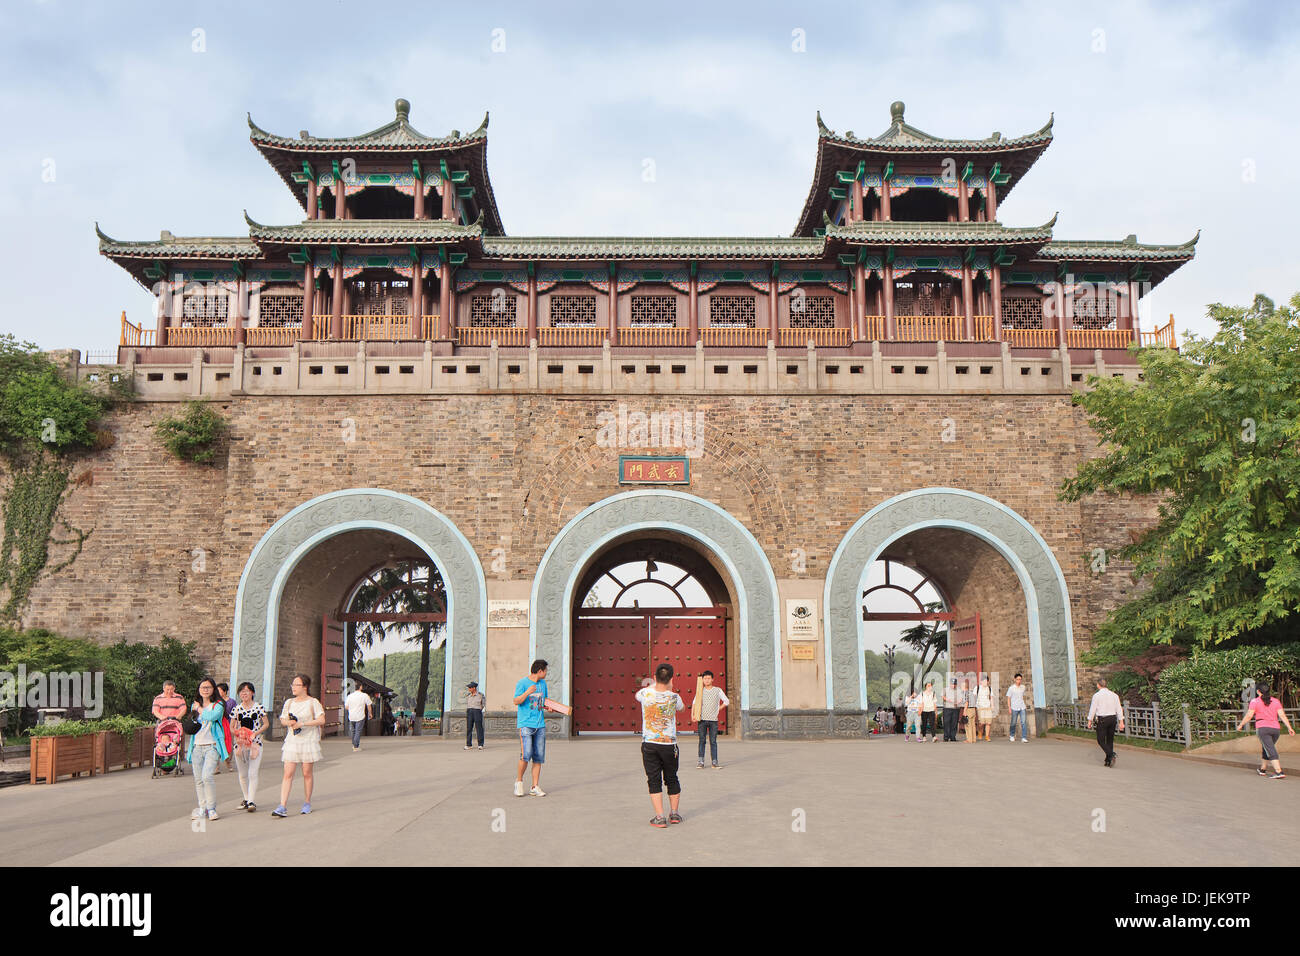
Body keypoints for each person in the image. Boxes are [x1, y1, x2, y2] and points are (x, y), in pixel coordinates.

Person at [637, 663, 685, 827]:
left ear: (655, 678)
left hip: (650, 744)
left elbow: (638, 695)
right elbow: (683, 709)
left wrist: (654, 683)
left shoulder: (644, 693)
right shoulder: (674, 697)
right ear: (672, 678)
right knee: (672, 778)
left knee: (654, 779)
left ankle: (660, 816)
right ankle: (675, 814)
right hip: (669, 745)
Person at [271, 674, 325, 818]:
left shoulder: (313, 702)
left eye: (297, 685)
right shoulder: (289, 702)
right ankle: (282, 805)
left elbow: (321, 719)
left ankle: (307, 802)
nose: (293, 687)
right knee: (287, 773)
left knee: (307, 773)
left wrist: (303, 723)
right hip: (292, 741)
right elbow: (282, 718)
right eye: (293, 685)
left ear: (305, 687)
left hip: (308, 740)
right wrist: (288, 723)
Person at [186, 677, 229, 822]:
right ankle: (202, 808)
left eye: (208, 687)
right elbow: (192, 722)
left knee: (207, 776)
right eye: (202, 687)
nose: (205, 690)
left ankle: (211, 808)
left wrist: (198, 709)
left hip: (212, 746)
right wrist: (196, 709)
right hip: (197, 745)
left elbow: (212, 716)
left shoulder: (218, 705)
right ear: (199, 689)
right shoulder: (194, 705)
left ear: (213, 689)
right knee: (198, 780)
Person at [1237, 682, 1294, 779]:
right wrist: (1289, 727)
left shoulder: (1255, 701)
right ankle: (1262, 769)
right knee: (1267, 747)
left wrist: (1241, 725)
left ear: (1258, 692)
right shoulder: (1275, 701)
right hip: (1276, 729)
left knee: (1270, 749)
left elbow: (1249, 715)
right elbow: (1282, 715)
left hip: (1263, 728)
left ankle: (1279, 772)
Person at [513, 660, 549, 797]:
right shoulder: (522, 683)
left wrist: (549, 708)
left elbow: (543, 702)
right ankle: (519, 782)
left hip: (540, 725)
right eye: (545, 671)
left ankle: (535, 786)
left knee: (538, 757)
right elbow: (516, 701)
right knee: (526, 754)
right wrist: (527, 692)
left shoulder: (543, 684)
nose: (546, 673)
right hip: (526, 724)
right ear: (540, 671)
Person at [231, 682, 267, 811]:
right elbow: (232, 726)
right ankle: (246, 798)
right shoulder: (236, 709)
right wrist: (237, 733)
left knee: (253, 772)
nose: (244, 694)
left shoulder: (259, 707)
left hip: (255, 744)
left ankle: (251, 801)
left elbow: (265, 724)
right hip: (240, 744)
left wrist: (255, 733)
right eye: (241, 691)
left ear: (252, 693)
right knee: (242, 773)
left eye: (246, 691)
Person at [1085, 677, 1126, 767]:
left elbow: (1093, 709)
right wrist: (1121, 721)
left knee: (1100, 740)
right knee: (1110, 740)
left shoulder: (1096, 696)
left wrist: (1089, 720)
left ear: (1098, 685)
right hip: (1112, 719)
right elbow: (1119, 709)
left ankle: (1111, 754)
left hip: (1103, 719)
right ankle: (1108, 761)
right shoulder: (1114, 695)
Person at [694, 670, 728, 768]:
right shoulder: (700, 690)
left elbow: (726, 701)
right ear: (702, 680)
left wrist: (718, 709)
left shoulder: (718, 690)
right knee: (702, 740)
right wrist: (693, 714)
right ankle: (701, 762)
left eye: (709, 678)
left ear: (712, 679)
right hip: (702, 719)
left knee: (713, 741)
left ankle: (714, 762)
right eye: (705, 678)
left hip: (713, 720)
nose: (707, 680)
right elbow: (694, 703)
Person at [344, 680, 373, 752]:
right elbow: (369, 705)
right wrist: (370, 713)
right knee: (358, 731)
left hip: (351, 716)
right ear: (360, 687)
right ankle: (356, 746)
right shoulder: (364, 695)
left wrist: (352, 708)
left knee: (353, 731)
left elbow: (346, 707)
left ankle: (354, 744)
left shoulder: (350, 696)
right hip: (360, 716)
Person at [216, 682, 236, 772]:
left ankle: (228, 762)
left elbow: (234, 715)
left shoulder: (231, 702)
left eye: (219, 690)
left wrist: (234, 726)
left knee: (228, 744)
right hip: (218, 725)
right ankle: (216, 767)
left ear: (224, 691)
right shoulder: (215, 701)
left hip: (228, 725)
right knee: (216, 745)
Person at [1007, 673, 1030, 742]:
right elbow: (1008, 698)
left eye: (1020, 679)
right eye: (1017, 679)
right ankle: (1011, 735)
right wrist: (1009, 707)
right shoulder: (1011, 688)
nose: (1019, 681)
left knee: (1023, 722)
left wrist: (1024, 704)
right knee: (1013, 722)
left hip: (1022, 707)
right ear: (1014, 680)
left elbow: (1023, 696)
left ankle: (1024, 737)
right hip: (1014, 707)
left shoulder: (1023, 687)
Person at [465, 681, 486, 751]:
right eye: (469, 688)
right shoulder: (468, 696)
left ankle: (480, 744)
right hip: (469, 711)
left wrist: (479, 710)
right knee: (469, 728)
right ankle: (468, 744)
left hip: (477, 711)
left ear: (474, 688)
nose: (469, 689)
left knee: (479, 728)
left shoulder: (480, 695)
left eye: (470, 688)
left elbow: (483, 704)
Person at [941, 678, 959, 742]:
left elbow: (961, 698)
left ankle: (952, 736)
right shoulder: (945, 689)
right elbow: (942, 696)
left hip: (955, 708)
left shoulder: (958, 690)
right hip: (947, 708)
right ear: (950, 683)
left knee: (954, 723)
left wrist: (959, 701)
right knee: (946, 722)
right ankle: (946, 737)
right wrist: (947, 699)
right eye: (952, 684)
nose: (953, 686)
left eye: (954, 684)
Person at [976, 676, 993, 741]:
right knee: (981, 723)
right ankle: (980, 732)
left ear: (988, 682)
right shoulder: (977, 688)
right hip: (980, 707)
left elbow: (991, 698)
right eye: (983, 681)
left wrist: (992, 706)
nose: (985, 682)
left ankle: (987, 736)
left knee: (988, 723)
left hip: (988, 707)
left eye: (986, 681)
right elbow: (974, 697)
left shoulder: (989, 688)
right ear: (981, 682)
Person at [962, 679, 977, 743]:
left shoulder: (966, 693)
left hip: (968, 709)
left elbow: (967, 702)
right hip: (973, 709)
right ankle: (974, 739)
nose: (961, 687)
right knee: (973, 725)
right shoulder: (971, 692)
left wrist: (964, 711)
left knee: (968, 725)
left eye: (962, 686)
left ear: (964, 687)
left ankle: (969, 739)